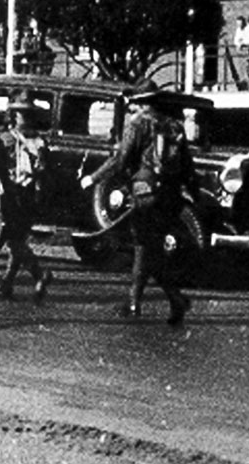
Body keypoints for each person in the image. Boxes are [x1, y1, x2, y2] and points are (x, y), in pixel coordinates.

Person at [82, 84, 197, 325]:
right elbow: (187, 165)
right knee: (149, 249)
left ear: (141, 102)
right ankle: (143, 301)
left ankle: (159, 300)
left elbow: (121, 159)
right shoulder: (174, 126)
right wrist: (192, 192)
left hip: (145, 193)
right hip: (171, 195)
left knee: (144, 247)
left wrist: (94, 178)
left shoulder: (137, 124)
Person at [0, 91, 53, 302]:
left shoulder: (6, 140)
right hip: (32, 195)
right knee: (18, 239)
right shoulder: (41, 142)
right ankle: (6, 284)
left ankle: (39, 274)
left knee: (14, 242)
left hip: (13, 195)